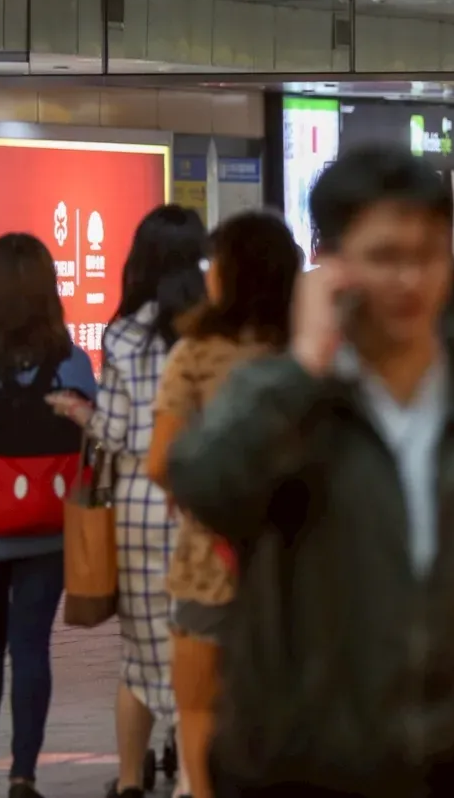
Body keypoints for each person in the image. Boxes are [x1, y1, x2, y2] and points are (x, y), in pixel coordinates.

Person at [168, 145, 454, 798]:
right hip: (299, 766)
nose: (409, 280)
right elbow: (204, 485)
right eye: (385, 257)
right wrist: (305, 367)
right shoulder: (282, 395)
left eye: (426, 255)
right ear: (329, 264)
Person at [145, 211, 301, 798]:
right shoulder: (313, 354)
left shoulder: (198, 353)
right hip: (301, 564)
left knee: (201, 710)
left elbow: (162, 460)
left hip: (211, 562)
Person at [52, 206, 206, 798]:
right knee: (199, 646)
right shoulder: (211, 328)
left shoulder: (121, 334)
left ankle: (129, 781)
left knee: (140, 658)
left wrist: (79, 412)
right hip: (199, 503)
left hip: (140, 508)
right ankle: (194, 777)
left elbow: (113, 433)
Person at [0, 234, 97, 798]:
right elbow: (94, 441)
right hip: (49, 532)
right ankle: (24, 773)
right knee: (31, 647)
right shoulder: (71, 361)